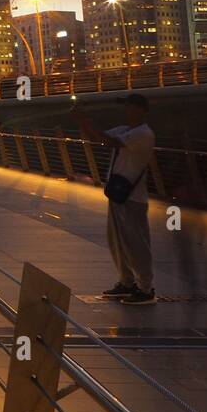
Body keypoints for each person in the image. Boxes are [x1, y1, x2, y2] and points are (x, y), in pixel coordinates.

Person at [71, 94, 157, 306]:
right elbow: (97, 139)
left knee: (136, 243)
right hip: (118, 193)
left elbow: (109, 141)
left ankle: (146, 289)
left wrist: (85, 119)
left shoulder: (143, 134)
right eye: (126, 107)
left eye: (131, 107)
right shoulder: (125, 129)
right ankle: (126, 282)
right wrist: (82, 121)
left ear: (143, 110)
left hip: (133, 197)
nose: (127, 111)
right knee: (117, 242)